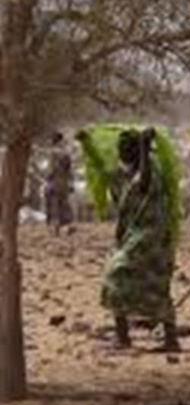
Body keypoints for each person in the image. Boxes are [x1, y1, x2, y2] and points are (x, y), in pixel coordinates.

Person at [79, 126, 180, 351]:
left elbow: (144, 183)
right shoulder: (122, 175)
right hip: (134, 237)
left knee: (121, 278)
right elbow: (101, 170)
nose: (122, 154)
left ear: (137, 152)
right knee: (149, 286)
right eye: (121, 150)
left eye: (127, 150)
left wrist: (145, 148)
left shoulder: (150, 171)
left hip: (152, 238)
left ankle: (167, 340)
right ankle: (126, 336)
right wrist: (87, 144)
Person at [44, 131, 74, 236]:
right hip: (64, 182)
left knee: (54, 206)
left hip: (54, 182)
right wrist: (70, 182)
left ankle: (55, 229)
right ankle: (68, 226)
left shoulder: (52, 153)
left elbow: (50, 169)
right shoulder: (66, 153)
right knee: (64, 205)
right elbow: (70, 170)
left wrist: (47, 179)